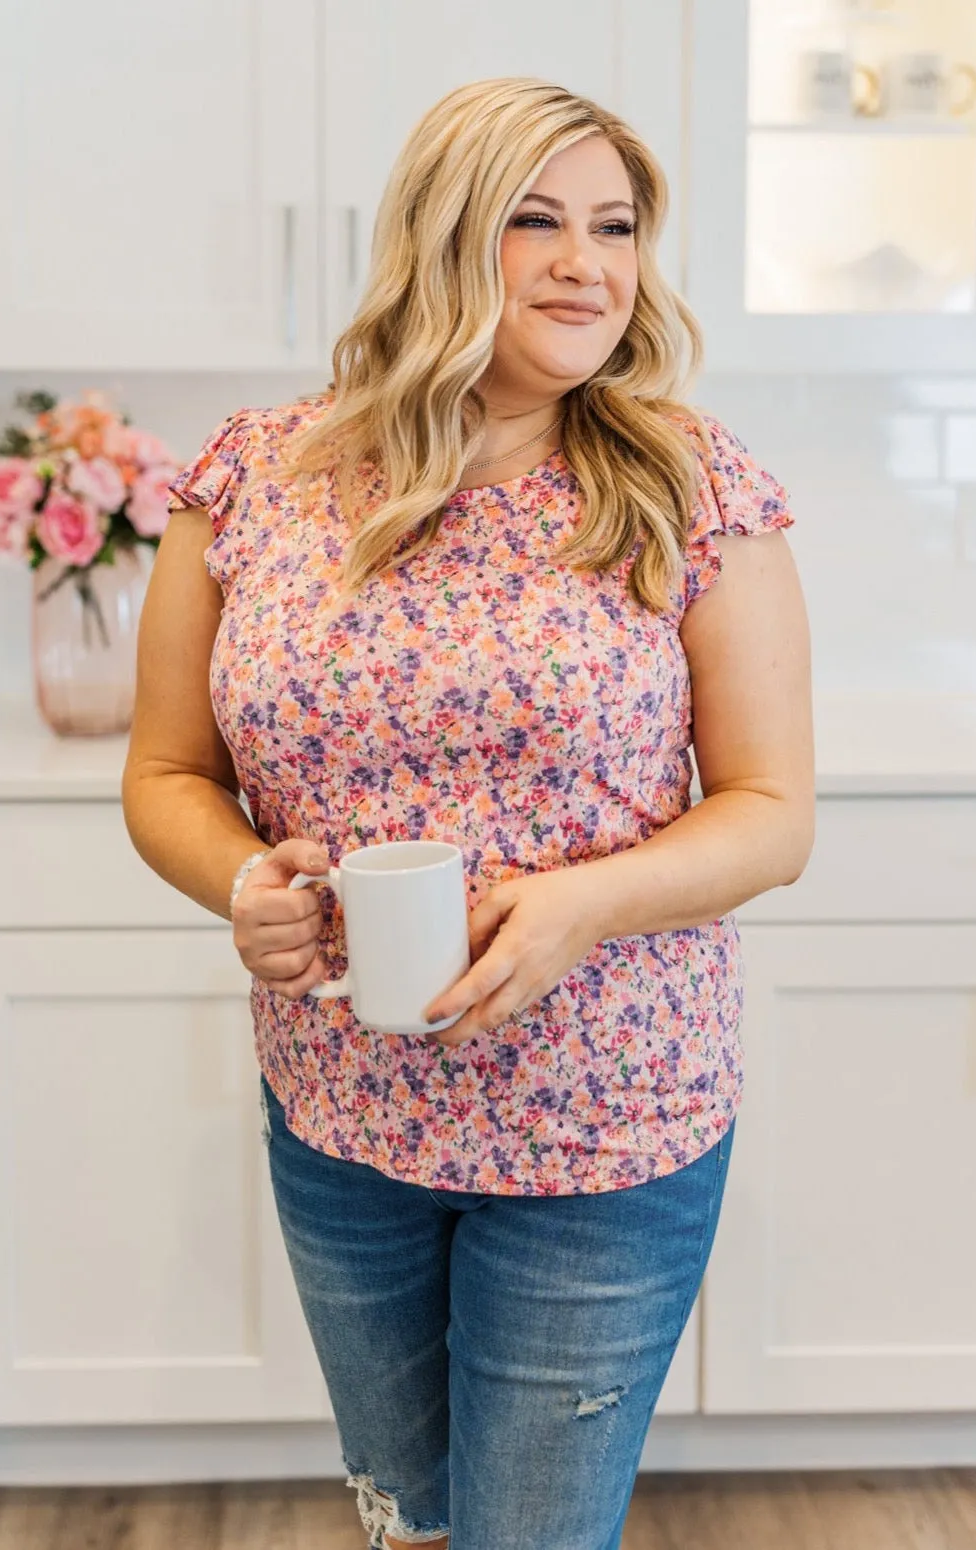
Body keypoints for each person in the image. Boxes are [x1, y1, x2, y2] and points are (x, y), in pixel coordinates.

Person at [122, 76, 814, 1550]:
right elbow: (168, 772)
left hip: (605, 1126)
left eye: (617, 226)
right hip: (341, 1111)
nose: (591, 263)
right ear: (439, 234)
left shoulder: (689, 489)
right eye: (535, 219)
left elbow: (768, 813)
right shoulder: (255, 477)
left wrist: (582, 902)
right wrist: (240, 881)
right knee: (409, 1524)